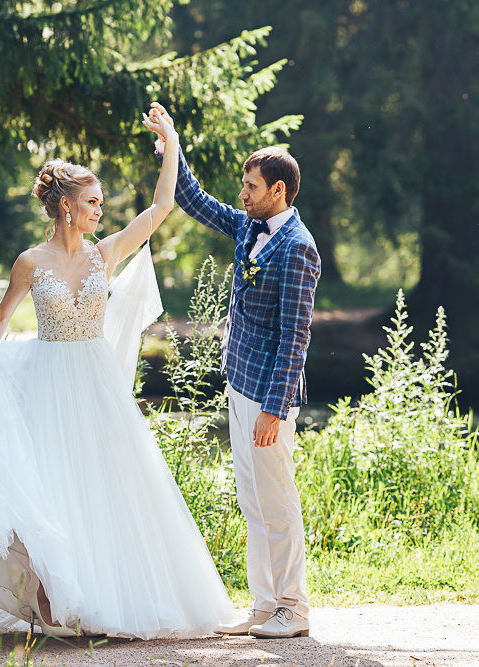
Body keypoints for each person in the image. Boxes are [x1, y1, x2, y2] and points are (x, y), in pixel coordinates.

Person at [0, 106, 236, 640]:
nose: (100, 210)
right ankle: (51, 597)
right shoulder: (30, 262)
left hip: (95, 383)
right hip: (47, 382)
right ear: (66, 206)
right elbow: (1, 315)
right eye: (92, 202)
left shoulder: (106, 253)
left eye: (101, 202)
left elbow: (162, 206)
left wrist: (171, 142)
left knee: (106, 483)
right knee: (51, 484)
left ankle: (105, 596)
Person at [147, 102, 320, 639]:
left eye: (251, 186)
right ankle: (264, 605)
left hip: (269, 395)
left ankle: (294, 608)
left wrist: (274, 408)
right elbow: (192, 199)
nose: (242, 194)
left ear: (278, 191)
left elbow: (295, 337)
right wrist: (172, 145)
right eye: (244, 185)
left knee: (277, 502)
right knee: (252, 500)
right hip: (240, 382)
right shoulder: (250, 225)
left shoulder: (298, 249)